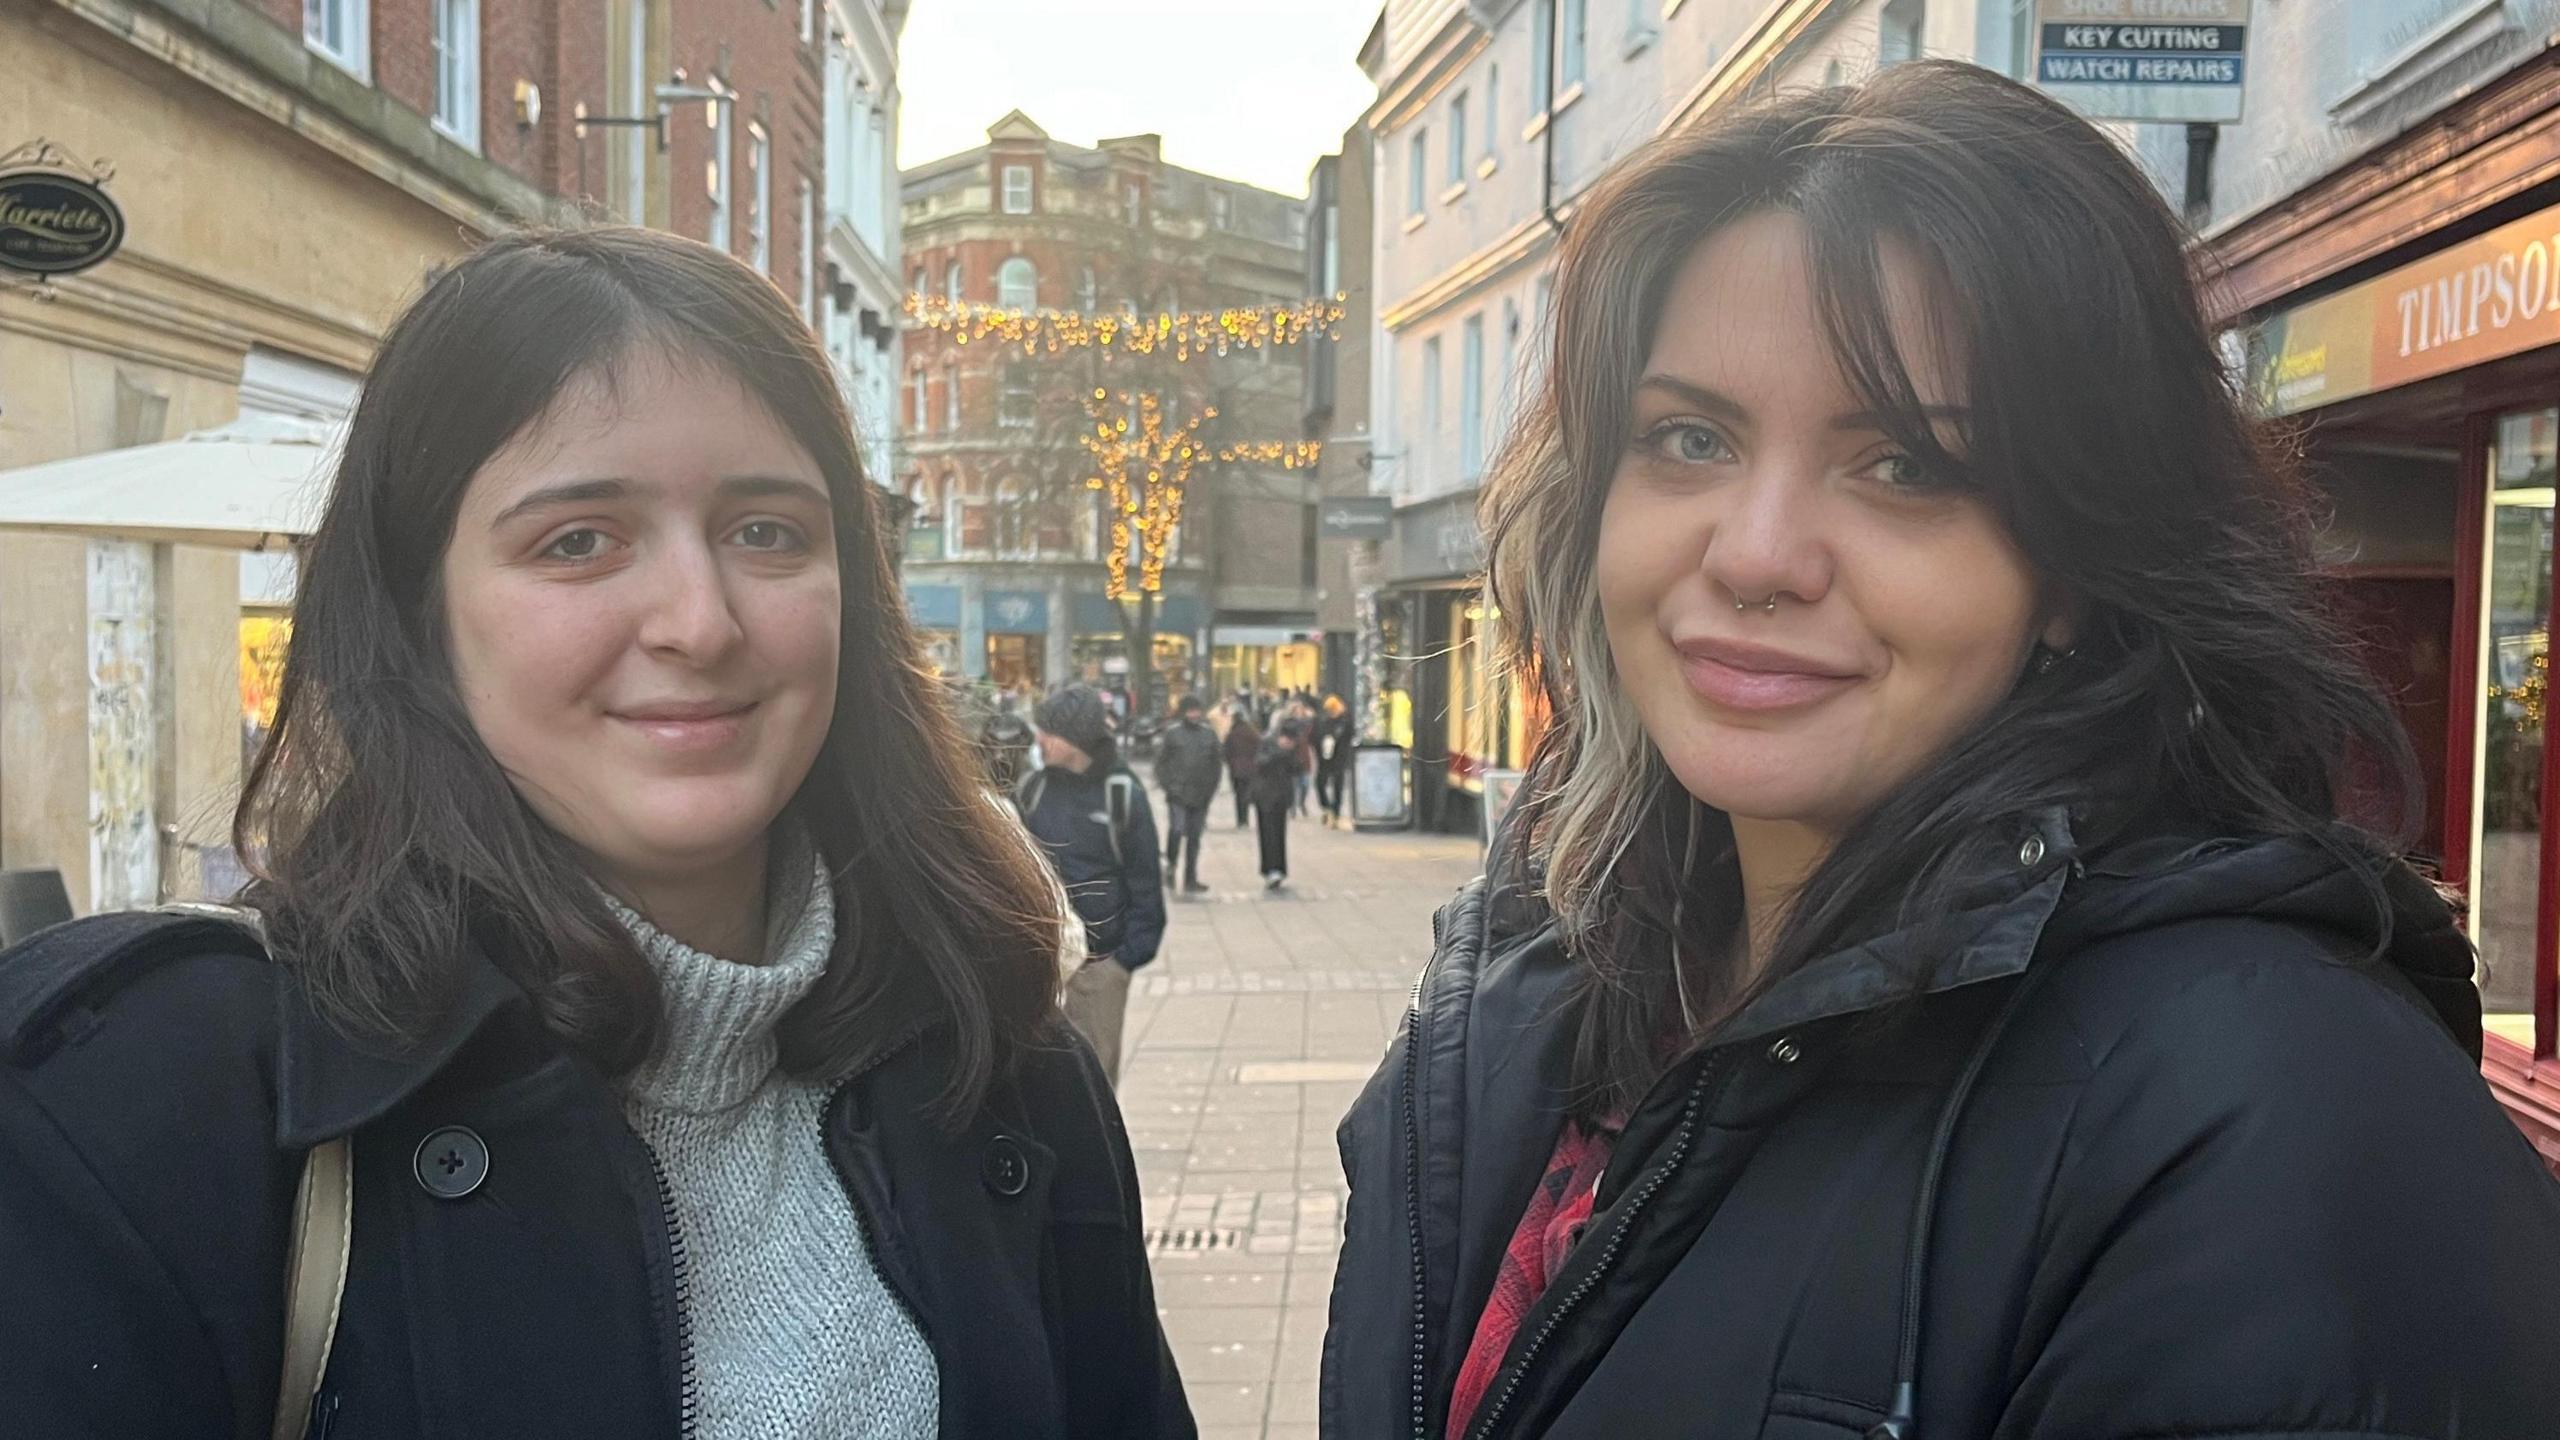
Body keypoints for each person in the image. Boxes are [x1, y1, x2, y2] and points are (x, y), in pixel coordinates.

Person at [1323, 63, 2560, 1440]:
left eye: (1906, 464)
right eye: (1689, 438)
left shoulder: (2284, 1129)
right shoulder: (1531, 987)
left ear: (2079, 563)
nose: (1757, 554)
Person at [0, 228, 1193, 1440]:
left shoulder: (1004, 1069)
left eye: (767, 531)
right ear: (421, 617)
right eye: (578, 541)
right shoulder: (147, 1106)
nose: (700, 620)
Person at [1016, 684, 1166, 1085]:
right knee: (1039, 1085)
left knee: (1094, 1082)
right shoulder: (1033, 790)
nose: (1040, 740)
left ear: (1076, 739)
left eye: (1049, 731)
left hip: (1099, 967)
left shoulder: (1122, 795)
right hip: (1041, 967)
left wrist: (1123, 960)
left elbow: (1146, 883)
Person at [1156, 693, 1224, 895]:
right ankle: (1171, 865)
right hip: (1178, 792)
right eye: (1190, 711)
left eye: (1196, 710)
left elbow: (1216, 765)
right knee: (1176, 830)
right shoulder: (1173, 734)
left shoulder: (1209, 735)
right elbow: (1161, 763)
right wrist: (1168, 785)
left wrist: (1211, 789)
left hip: (1201, 794)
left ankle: (1190, 877)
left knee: (1194, 837)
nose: (1194, 714)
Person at [1252, 715, 1303, 892]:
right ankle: (1269, 869)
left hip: (1281, 797)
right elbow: (1260, 763)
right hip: (1265, 796)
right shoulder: (1267, 742)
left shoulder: (1291, 749)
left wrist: (1289, 755)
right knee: (1268, 834)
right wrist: (1279, 752)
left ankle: (1279, 869)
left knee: (1279, 834)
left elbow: (1297, 769)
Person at [1316, 695, 1357, 828]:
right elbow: (1319, 735)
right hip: (1325, 756)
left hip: (1339, 756)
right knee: (1320, 782)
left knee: (1337, 784)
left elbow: (1349, 736)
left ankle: (1335, 811)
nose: (1331, 712)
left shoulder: (1345, 721)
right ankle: (1327, 807)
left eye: (1333, 709)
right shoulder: (1325, 721)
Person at [1224, 702, 1263, 830]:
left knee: (1239, 795)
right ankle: (1245, 820)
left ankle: (1241, 820)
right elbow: (1260, 749)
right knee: (1247, 794)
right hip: (1250, 769)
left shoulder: (1231, 734)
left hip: (1236, 769)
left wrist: (1230, 763)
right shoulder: (1253, 733)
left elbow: (1226, 752)